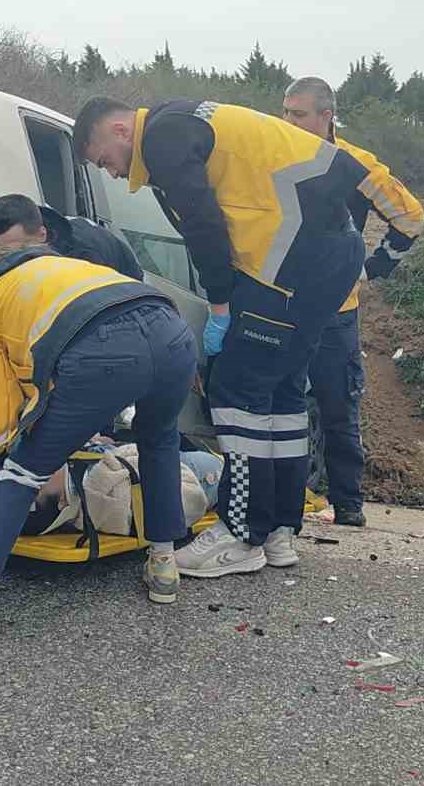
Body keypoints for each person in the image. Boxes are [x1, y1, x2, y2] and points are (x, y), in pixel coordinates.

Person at [74, 95, 367, 578]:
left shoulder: (163, 138)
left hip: (277, 271)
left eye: (103, 159)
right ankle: (277, 530)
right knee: (283, 397)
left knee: (236, 393)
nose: (108, 172)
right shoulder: (188, 115)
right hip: (323, 260)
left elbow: (203, 223)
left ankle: (241, 531)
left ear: (121, 131)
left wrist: (220, 304)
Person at [0, 246, 198, 645]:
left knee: (22, 472)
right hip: (172, 332)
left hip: (102, 348)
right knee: (160, 442)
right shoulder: (46, 269)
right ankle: (164, 568)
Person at [280, 76, 424, 527]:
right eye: (285, 112)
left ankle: (349, 505)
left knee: (337, 406)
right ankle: (283, 505)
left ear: (327, 117)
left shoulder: (354, 164)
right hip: (276, 304)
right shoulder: (270, 154)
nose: (288, 121)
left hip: (333, 312)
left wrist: (369, 268)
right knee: (277, 406)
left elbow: (411, 217)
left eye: (299, 114)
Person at [0, 193, 144, 279]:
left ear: (41, 235)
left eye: (10, 253)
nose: (0, 258)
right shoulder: (14, 237)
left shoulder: (85, 258)